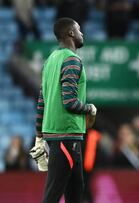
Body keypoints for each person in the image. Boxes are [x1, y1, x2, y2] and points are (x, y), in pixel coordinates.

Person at [29, 17, 97, 203]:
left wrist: (39, 135)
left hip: (60, 136)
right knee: (53, 194)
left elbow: (42, 101)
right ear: (71, 33)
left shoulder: (50, 61)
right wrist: (90, 108)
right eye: (79, 29)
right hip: (66, 135)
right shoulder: (72, 60)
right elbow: (69, 102)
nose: (82, 33)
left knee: (75, 192)